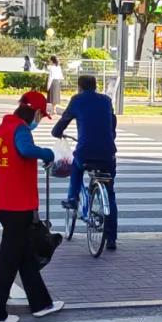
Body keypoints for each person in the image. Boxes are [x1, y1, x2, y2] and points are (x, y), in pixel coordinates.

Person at [0, 91, 64, 322]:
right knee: (8, 261)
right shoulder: (20, 130)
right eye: (41, 116)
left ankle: (41, 304)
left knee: (25, 256)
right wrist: (49, 153)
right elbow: (25, 150)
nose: (39, 120)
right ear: (36, 112)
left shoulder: (1, 129)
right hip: (18, 206)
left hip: (3, 203)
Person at [52, 75, 119, 250]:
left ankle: (72, 199)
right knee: (110, 194)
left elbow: (63, 121)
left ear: (80, 87)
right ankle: (111, 238)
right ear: (95, 86)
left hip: (86, 152)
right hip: (108, 154)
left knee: (76, 166)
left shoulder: (77, 100)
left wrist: (57, 132)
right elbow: (112, 123)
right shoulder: (106, 101)